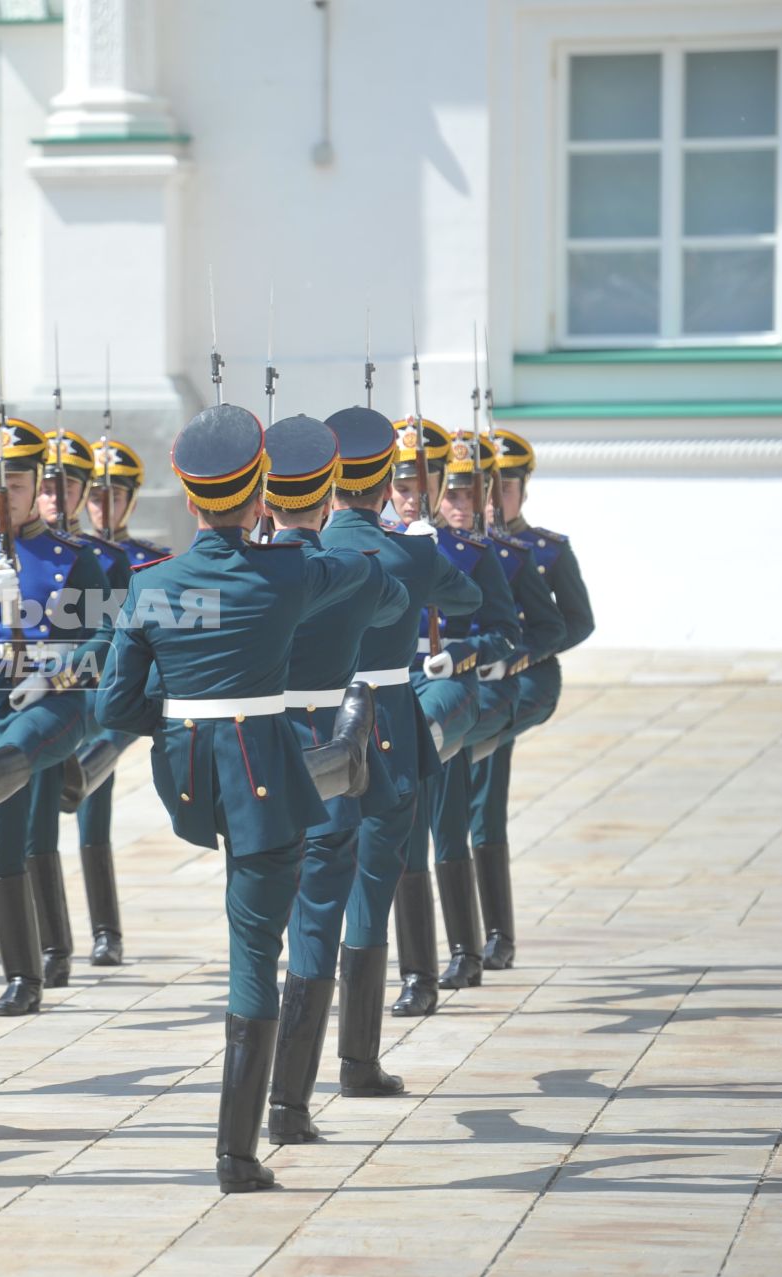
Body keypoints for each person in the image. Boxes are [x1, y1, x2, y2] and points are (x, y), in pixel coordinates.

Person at [96, 402, 375, 1193]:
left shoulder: (152, 586)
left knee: (255, 931)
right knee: (255, 949)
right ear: (259, 493)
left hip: (189, 775)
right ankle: (237, 1152)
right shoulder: (288, 572)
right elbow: (359, 572)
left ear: (188, 499)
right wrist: (298, 528)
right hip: (260, 777)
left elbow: (116, 709)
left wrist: (177, 721)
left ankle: (247, 1140)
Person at [253, 414, 410, 1147]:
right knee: (317, 917)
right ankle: (288, 1106)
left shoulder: (242, 571)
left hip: (253, 762)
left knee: (254, 930)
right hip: (326, 755)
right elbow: (394, 604)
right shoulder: (354, 570)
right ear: (326, 498)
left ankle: (244, 1111)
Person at [317, 407, 480, 1097]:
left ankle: (295, 1075)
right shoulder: (409, 551)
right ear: (387, 484)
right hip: (386, 729)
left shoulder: (304, 550)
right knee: (371, 889)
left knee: (314, 887)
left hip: (320, 727)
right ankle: (358, 1061)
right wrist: (423, 544)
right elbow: (468, 596)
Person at [0, 416, 110, 1016]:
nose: (2, 493)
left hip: (55, 695)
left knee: (26, 778)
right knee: (3, 839)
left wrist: (54, 675)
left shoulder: (73, 557)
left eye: (14, 482)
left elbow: (102, 639)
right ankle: (23, 974)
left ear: (37, 483)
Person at [386, 417, 516, 1014]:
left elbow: (510, 635)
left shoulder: (469, 554)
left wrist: (465, 651)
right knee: (407, 825)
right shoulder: (368, 547)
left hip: (452, 690)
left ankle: (464, 947)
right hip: (393, 687)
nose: (413, 494)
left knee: (447, 819)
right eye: (402, 482)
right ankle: (418, 972)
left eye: (424, 482)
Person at [433, 430, 564, 975]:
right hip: (453, 694)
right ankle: (470, 944)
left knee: (482, 810)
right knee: (453, 807)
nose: (469, 505)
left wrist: (510, 661)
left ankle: (494, 937)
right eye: (455, 493)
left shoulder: (509, 556)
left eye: (478, 492)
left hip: (502, 692)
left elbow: (556, 626)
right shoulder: (427, 549)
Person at [471, 428, 593, 970]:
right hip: (471, 681)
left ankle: (497, 933)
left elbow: (575, 622)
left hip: (519, 682)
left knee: (485, 791)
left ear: (523, 489)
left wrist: (521, 655)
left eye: (507, 488)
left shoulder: (542, 552)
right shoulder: (459, 548)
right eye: (484, 489)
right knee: (468, 796)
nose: (497, 500)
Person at [19, 428, 132, 985]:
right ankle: (52, 943)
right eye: (49, 486)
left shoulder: (105, 560)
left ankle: (105, 929)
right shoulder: (20, 551)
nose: (57, 498)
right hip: (36, 690)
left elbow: (117, 637)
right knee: (39, 814)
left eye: (70, 487)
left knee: (93, 811)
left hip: (91, 693)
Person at [73, 438, 170, 963]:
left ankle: (105, 931)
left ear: (132, 499)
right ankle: (88, 934)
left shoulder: (149, 562)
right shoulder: (77, 556)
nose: (102, 506)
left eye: (115, 496)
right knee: (86, 804)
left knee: (95, 784)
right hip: (83, 686)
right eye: (96, 496)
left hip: (130, 690)